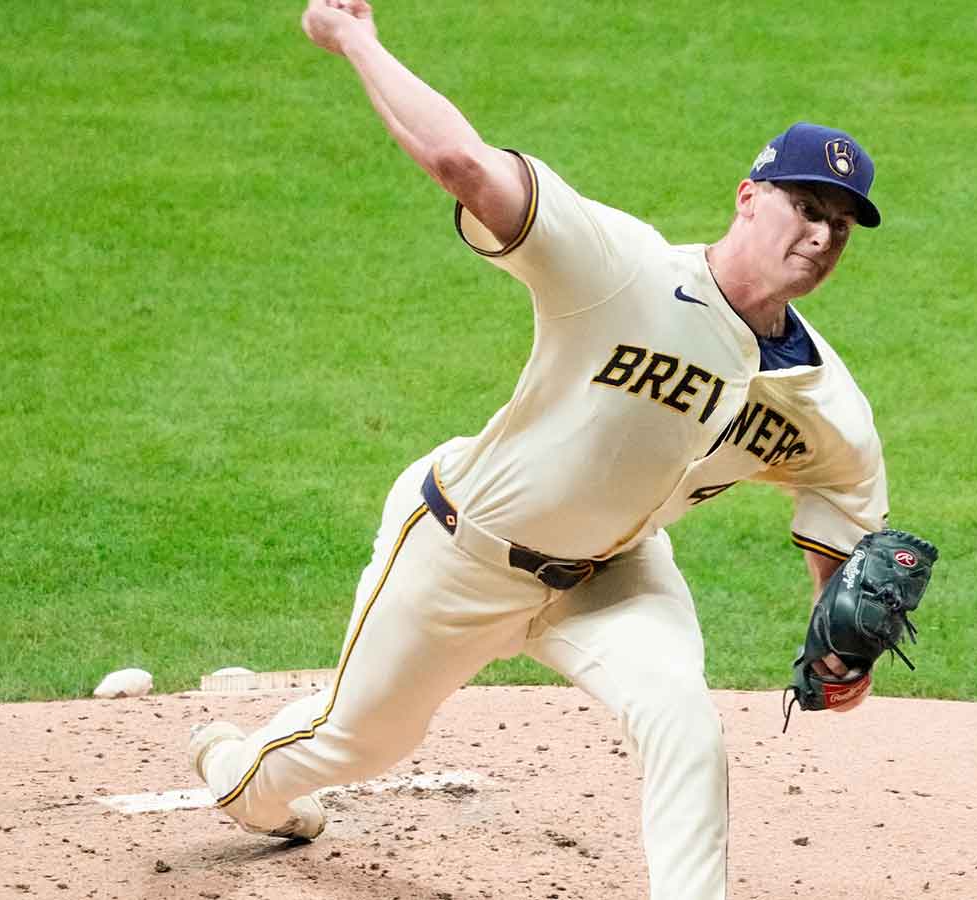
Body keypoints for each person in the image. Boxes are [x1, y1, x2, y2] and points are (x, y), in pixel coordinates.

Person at [187, 2, 894, 897]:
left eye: (843, 221)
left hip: (613, 574)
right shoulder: (623, 270)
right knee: (361, 739)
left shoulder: (829, 405)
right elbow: (461, 164)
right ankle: (243, 777)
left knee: (683, 718)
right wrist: (354, 39)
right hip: (461, 549)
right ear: (749, 199)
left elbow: (843, 562)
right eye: (808, 206)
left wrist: (844, 663)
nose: (824, 233)